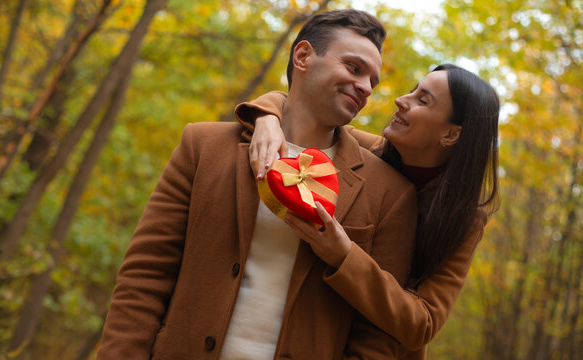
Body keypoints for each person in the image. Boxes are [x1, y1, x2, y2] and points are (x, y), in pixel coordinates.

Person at [97, 9, 419, 359]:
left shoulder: (388, 191)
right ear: (303, 56)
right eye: (354, 68)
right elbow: (144, 278)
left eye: (372, 81)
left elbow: (375, 336)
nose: (365, 87)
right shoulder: (202, 146)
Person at [235, 63, 500, 359]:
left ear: (451, 135)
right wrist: (268, 119)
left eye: (422, 100)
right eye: (413, 90)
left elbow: (422, 325)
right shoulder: (360, 151)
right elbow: (296, 107)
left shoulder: (463, 219)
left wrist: (344, 255)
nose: (402, 99)